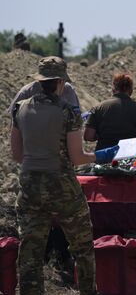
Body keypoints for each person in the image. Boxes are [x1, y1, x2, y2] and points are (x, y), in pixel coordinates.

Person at [10, 56, 119, 295]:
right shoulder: (68, 112)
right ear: (60, 82)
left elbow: (17, 154)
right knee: (82, 248)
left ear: (39, 80)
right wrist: (102, 156)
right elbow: (77, 157)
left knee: (30, 253)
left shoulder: (20, 109)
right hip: (62, 186)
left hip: (30, 187)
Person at [6, 56, 82, 271]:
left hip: (47, 167)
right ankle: (47, 257)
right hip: (47, 168)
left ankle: (58, 256)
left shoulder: (63, 92)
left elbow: (16, 142)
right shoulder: (29, 94)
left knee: (51, 216)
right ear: (59, 80)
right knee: (48, 216)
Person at [84, 72, 136, 151]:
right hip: (130, 157)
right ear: (131, 89)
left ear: (113, 88)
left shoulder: (98, 108)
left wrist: (100, 134)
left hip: (103, 158)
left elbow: (88, 136)